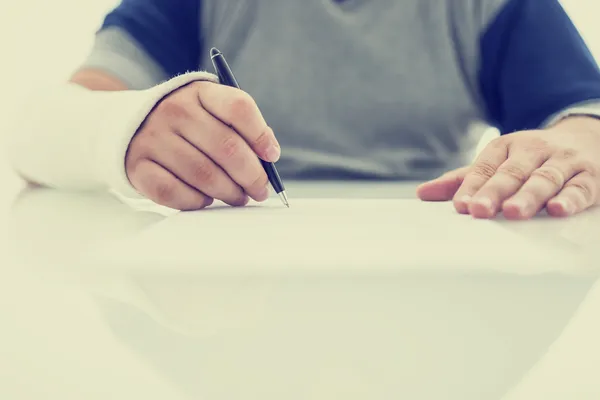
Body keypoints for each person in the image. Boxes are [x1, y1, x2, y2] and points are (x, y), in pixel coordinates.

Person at [6, 0, 600, 220]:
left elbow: (586, 117)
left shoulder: (497, 5)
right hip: (223, 262)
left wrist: (573, 146)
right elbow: (39, 130)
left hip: (429, 248)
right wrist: (123, 126)